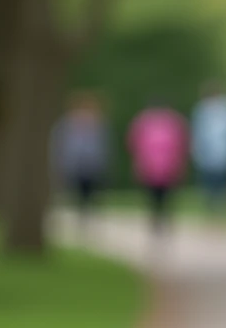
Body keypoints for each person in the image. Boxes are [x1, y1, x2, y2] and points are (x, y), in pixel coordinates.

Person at [126, 99, 188, 236]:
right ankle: (162, 222)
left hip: (154, 168)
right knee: (164, 198)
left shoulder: (143, 122)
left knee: (155, 198)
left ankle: (157, 222)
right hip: (164, 169)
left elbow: (134, 146)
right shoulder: (173, 122)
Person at [50, 90, 111, 230]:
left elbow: (103, 146)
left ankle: (86, 216)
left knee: (90, 191)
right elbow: (60, 145)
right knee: (77, 191)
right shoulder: (67, 124)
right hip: (75, 164)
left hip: (91, 164)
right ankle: (81, 216)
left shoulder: (98, 124)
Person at [189, 80, 226, 217]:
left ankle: (223, 214)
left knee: (225, 187)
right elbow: (197, 134)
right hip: (207, 158)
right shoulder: (201, 110)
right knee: (209, 188)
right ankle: (212, 214)